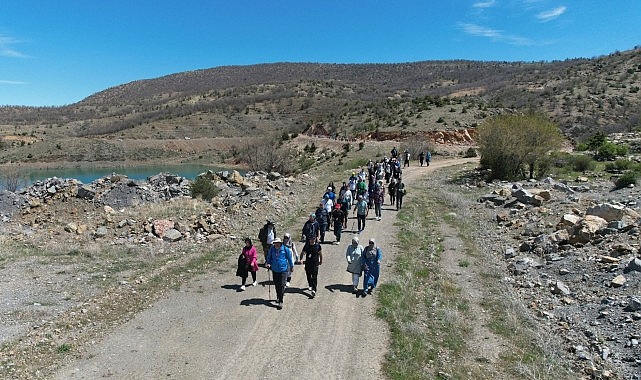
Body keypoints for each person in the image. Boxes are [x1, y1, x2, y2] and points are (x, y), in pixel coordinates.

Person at [265, 238, 294, 309]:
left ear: (280, 243)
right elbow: (269, 257)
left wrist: (292, 266)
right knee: (277, 284)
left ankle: (281, 301)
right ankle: (278, 296)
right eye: (275, 243)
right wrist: (268, 263)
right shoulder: (272, 249)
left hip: (283, 270)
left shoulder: (285, 249)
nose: (276, 244)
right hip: (274, 270)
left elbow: (290, 258)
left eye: (278, 243)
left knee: (281, 285)